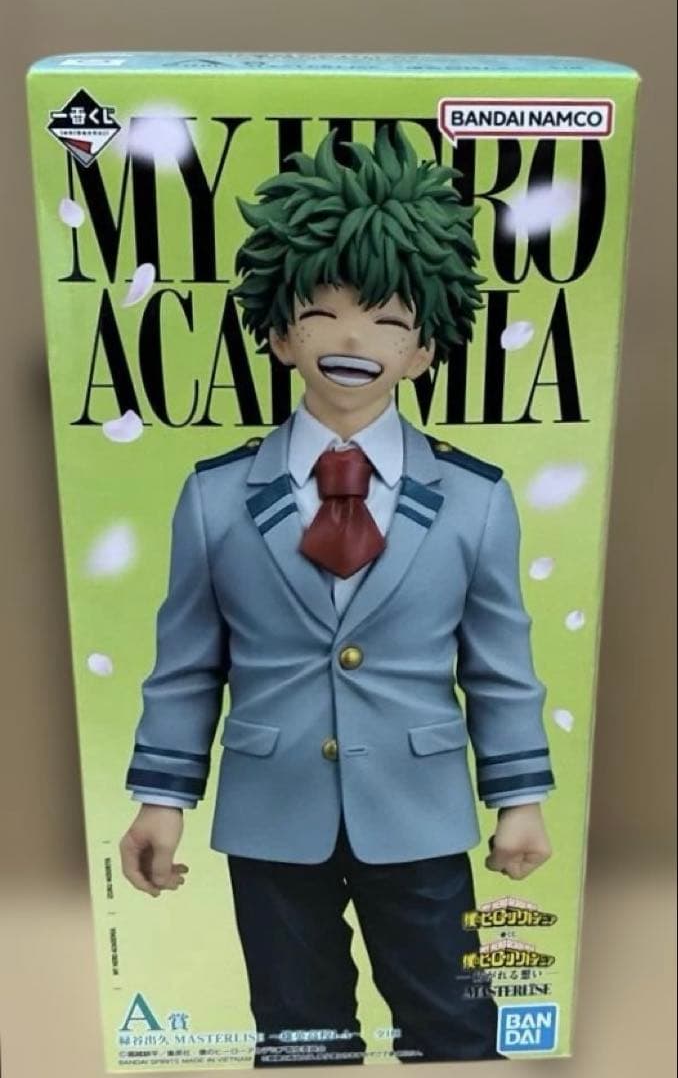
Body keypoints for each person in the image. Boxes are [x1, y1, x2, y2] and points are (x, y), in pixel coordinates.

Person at [120, 125, 554, 1065]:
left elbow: (499, 665)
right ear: (280, 333)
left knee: (457, 1027)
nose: (353, 340)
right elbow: (187, 665)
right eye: (321, 314)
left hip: (421, 809)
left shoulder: (475, 499)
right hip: (271, 811)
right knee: (298, 1030)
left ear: (425, 348)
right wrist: (161, 797)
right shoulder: (215, 497)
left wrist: (519, 796)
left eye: (389, 321)